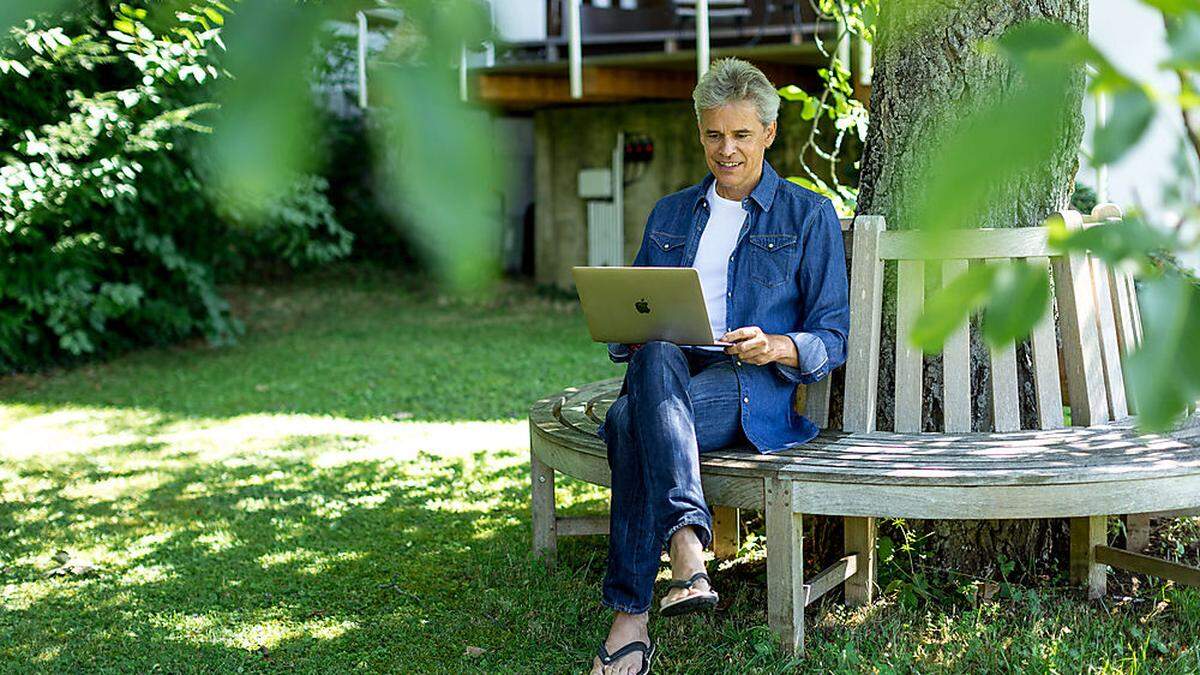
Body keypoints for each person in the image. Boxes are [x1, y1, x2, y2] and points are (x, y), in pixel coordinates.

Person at [588, 58, 850, 675]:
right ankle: (685, 547)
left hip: (746, 383)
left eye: (739, 135)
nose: (725, 150)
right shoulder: (670, 214)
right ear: (700, 133)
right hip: (669, 370)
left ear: (767, 133)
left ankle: (632, 615)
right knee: (654, 351)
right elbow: (637, 316)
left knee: (630, 426)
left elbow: (832, 336)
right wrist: (626, 326)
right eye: (713, 135)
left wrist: (778, 345)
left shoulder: (806, 216)